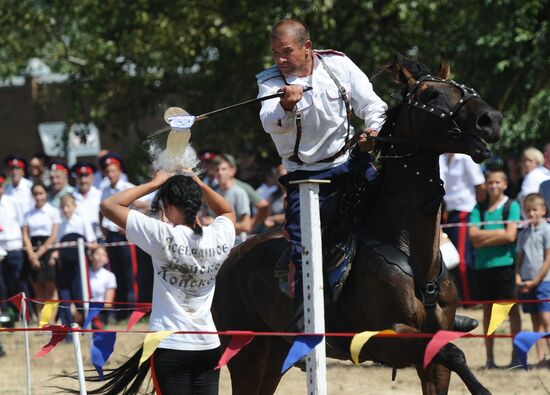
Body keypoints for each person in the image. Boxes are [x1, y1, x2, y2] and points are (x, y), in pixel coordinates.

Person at [257, 19, 386, 297]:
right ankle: (307, 326)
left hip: (350, 165)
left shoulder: (339, 64)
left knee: (397, 212)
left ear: (307, 47)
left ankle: (431, 295)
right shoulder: (269, 82)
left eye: (286, 51)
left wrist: (374, 129)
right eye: (275, 52)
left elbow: (373, 105)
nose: (280, 59)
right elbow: (269, 122)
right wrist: (285, 104)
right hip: (305, 179)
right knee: (307, 252)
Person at [91, 170, 235, 395]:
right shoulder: (218, 236)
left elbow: (109, 205)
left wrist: (155, 183)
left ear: (167, 206)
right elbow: (227, 211)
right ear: (197, 204)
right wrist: (199, 183)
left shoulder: (161, 235)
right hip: (208, 345)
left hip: (170, 346)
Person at [468, 169, 522, 369]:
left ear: (505, 184)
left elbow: (510, 236)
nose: (493, 186)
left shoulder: (512, 205)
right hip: (484, 267)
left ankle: (516, 358)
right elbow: (472, 235)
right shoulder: (478, 208)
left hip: (506, 266)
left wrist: (484, 238)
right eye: (490, 182)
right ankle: (490, 359)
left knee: (511, 312)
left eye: (497, 182)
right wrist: (498, 233)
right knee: (488, 313)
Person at [440, 153, 485, 301]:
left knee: (462, 258)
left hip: (465, 210)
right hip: (448, 212)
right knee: (450, 256)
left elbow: (479, 185)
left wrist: (479, 210)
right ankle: (460, 295)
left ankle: (469, 298)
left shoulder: (465, 157)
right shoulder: (441, 158)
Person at [49, 194, 96, 326]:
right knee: (65, 297)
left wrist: (83, 247)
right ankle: (67, 331)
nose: (65, 209)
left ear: (74, 206)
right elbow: (58, 246)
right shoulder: (61, 226)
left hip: (79, 265)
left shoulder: (82, 222)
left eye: (68, 206)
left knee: (81, 296)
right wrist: (56, 253)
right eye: (63, 207)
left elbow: (93, 243)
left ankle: (88, 325)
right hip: (65, 265)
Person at [515, 193, 550, 367]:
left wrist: (536, 281)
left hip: (544, 283)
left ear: (543, 210)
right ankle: (541, 358)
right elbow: (519, 257)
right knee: (535, 322)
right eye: (528, 211)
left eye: (535, 210)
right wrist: (518, 276)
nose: (531, 214)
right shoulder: (524, 233)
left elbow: (548, 259)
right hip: (527, 283)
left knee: (547, 320)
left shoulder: (547, 230)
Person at [21, 183, 61, 321]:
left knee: (50, 286)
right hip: (33, 248)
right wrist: (32, 255)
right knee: (38, 288)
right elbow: (25, 235)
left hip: (47, 249)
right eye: (36, 194)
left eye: (41, 193)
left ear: (46, 194)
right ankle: (41, 321)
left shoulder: (53, 211)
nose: (38, 197)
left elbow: (53, 236)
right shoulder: (28, 213)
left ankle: (51, 320)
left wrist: (39, 254)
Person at [202, 154, 251, 245]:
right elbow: (203, 216)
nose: (220, 173)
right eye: (217, 170)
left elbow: (246, 226)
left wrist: (216, 225)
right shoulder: (212, 192)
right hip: (214, 243)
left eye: (223, 169)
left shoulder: (239, 192)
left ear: (231, 171)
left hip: (235, 244)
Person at [71, 161, 103, 241]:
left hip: (98, 239)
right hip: (78, 240)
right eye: (80, 176)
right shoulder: (71, 196)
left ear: (92, 177)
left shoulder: (100, 195)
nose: (83, 180)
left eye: (86, 176)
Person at [88, 245, 116, 326]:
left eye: (103, 255)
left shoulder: (109, 276)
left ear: (106, 259)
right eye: (97, 254)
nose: (100, 257)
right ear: (91, 257)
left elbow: (108, 303)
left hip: (99, 312)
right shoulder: (84, 273)